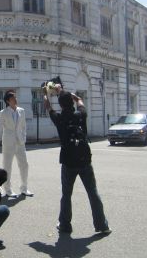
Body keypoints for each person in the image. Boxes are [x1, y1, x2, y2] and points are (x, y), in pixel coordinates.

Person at [44, 90, 111, 234]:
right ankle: (102, 225)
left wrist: (46, 95)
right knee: (93, 192)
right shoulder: (81, 115)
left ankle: (65, 225)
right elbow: (80, 100)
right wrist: (73, 95)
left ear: (61, 105)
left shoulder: (59, 118)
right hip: (85, 159)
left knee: (66, 194)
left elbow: (48, 107)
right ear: (71, 102)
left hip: (68, 161)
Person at [0, 90, 33, 197]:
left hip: (20, 142)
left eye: (16, 97)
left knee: (24, 165)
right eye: (13, 98)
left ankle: (24, 188)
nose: (16, 99)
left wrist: (23, 138)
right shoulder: (3, 113)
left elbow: (23, 126)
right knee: (7, 166)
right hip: (8, 143)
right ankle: (8, 190)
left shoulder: (21, 111)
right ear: (8, 101)